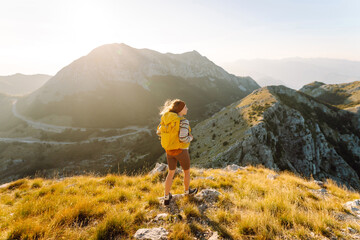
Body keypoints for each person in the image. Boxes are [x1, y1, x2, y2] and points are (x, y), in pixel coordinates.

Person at [157, 99, 198, 205]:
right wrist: (191, 138)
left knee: (170, 173)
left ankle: (166, 197)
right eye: (185, 107)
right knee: (187, 172)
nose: (187, 109)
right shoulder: (183, 121)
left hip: (169, 151)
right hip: (181, 151)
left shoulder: (166, 118)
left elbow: (159, 132)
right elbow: (183, 138)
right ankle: (187, 192)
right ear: (180, 110)